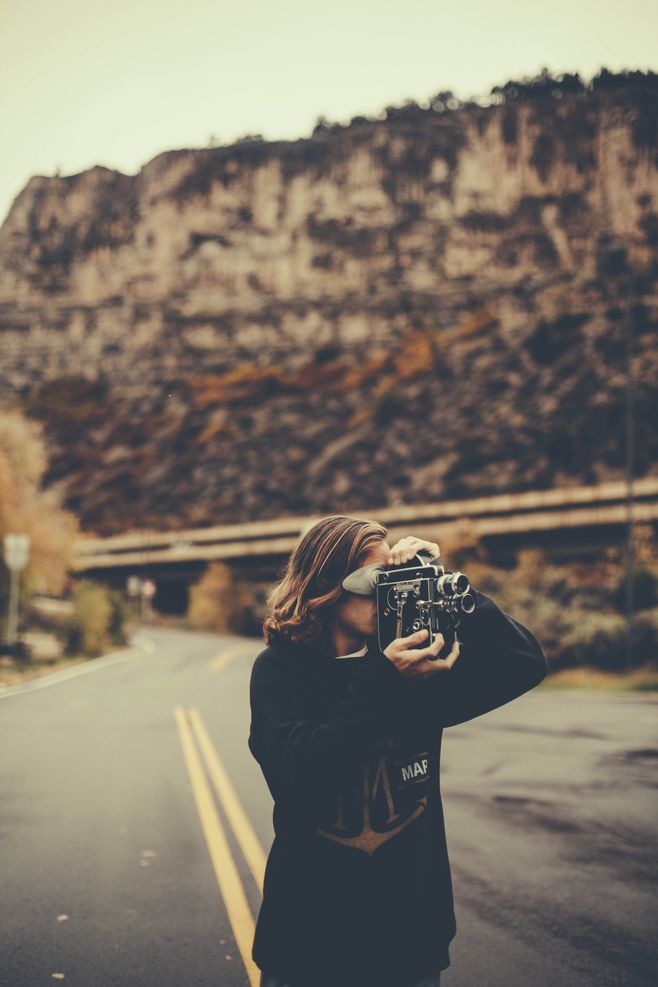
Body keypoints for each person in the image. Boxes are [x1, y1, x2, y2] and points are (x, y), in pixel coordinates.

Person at [248, 516, 548, 987]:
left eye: (396, 578)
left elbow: (524, 662)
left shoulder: (416, 664)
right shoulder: (282, 670)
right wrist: (385, 680)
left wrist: (442, 584)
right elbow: (300, 775)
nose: (389, 591)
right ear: (327, 584)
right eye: (375, 581)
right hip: (308, 941)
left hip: (409, 941)